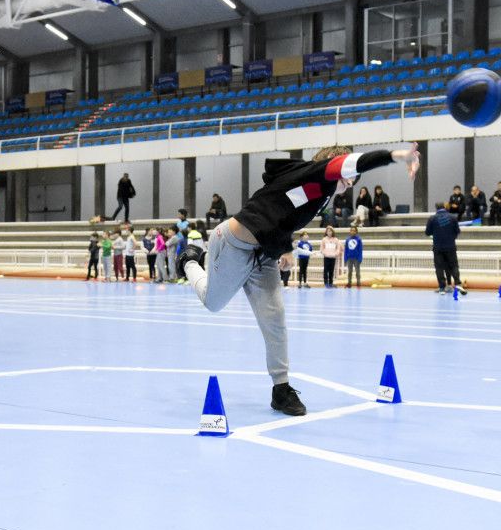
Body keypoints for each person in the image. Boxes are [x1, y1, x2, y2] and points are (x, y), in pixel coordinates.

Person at [177, 143, 420, 416]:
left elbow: (281, 213)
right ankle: (189, 261)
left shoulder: (318, 191)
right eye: (349, 172)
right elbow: (267, 214)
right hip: (235, 244)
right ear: (333, 165)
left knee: (275, 319)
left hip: (264, 252)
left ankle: (281, 390)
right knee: (213, 302)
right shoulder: (315, 176)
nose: (352, 181)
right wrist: (393, 156)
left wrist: (284, 246)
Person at [426, 202, 466, 295]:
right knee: (454, 265)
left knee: (439, 267)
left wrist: (435, 233)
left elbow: (427, 232)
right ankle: (457, 283)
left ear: (436, 208)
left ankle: (442, 287)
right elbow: (457, 231)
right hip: (450, 246)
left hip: (438, 247)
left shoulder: (432, 219)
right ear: (444, 207)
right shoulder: (452, 217)